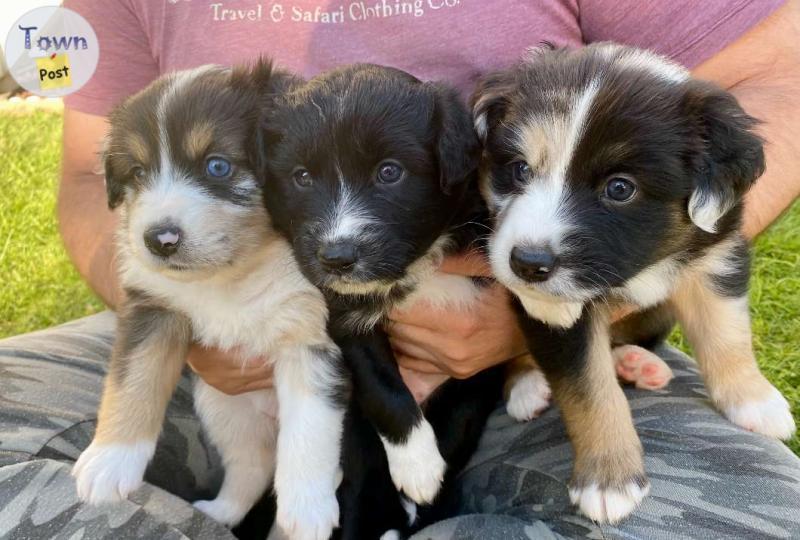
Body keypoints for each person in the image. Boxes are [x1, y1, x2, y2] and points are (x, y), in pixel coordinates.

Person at [1, 0, 799, 538]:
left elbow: (778, 79)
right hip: (219, 335)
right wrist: (188, 319)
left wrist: (549, 303)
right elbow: (91, 172)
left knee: (745, 518)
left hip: (548, 349)